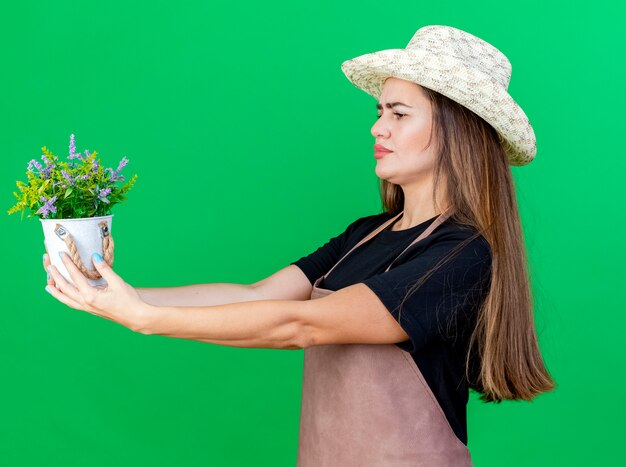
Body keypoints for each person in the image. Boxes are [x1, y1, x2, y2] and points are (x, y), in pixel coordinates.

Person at [43, 24, 555, 466]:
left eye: (399, 114)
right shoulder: (366, 234)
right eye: (379, 112)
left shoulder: (463, 254)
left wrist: (145, 319)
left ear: (455, 130)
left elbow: (301, 324)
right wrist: (113, 293)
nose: (378, 127)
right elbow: (256, 296)